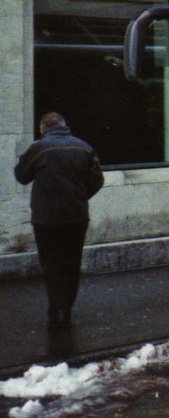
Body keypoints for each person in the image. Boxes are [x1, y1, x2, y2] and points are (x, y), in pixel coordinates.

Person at [14, 112, 105, 329]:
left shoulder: (39, 148)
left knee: (52, 263)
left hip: (46, 219)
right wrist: (81, 196)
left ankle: (58, 308)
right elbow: (98, 180)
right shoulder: (83, 147)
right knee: (71, 262)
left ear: (42, 129)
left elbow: (21, 176)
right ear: (64, 126)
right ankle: (67, 306)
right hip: (76, 216)